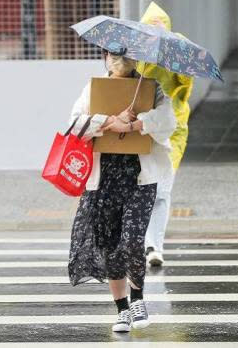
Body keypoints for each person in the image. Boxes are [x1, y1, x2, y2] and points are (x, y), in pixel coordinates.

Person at [67, 50, 177, 333]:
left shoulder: (152, 89)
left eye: (125, 55)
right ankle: (122, 309)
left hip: (140, 179)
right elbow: (74, 123)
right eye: (113, 54)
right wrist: (109, 121)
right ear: (104, 56)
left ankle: (138, 297)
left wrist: (137, 123)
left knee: (132, 241)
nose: (118, 59)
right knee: (110, 245)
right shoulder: (93, 89)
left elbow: (168, 122)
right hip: (102, 180)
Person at [136, 2, 194, 267]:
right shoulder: (135, 52)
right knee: (142, 187)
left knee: (163, 190)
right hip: (142, 129)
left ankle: (154, 246)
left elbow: (185, 84)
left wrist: (173, 60)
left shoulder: (178, 49)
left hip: (173, 130)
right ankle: (141, 240)